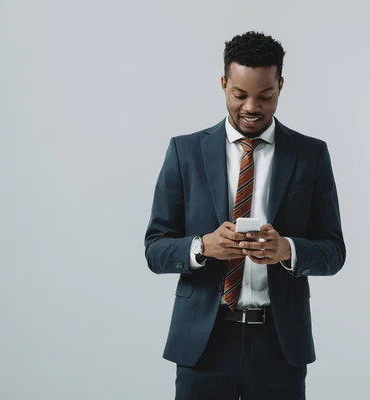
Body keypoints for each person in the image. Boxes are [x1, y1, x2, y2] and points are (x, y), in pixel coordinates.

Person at [144, 31, 346, 400]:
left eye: (265, 95)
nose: (251, 107)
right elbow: (155, 249)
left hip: (279, 343)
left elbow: (334, 252)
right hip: (203, 342)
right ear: (224, 84)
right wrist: (202, 246)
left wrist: (288, 250)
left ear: (280, 85)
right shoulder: (184, 152)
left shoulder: (311, 154)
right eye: (240, 95)